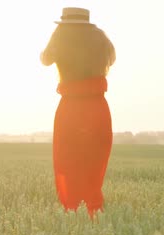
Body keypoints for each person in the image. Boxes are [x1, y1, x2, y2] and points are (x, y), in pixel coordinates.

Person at [41, 7, 116, 218]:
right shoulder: (100, 38)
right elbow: (112, 60)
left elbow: (45, 60)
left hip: (70, 109)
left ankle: (72, 210)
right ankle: (93, 211)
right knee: (94, 162)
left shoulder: (60, 37)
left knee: (67, 161)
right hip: (97, 108)